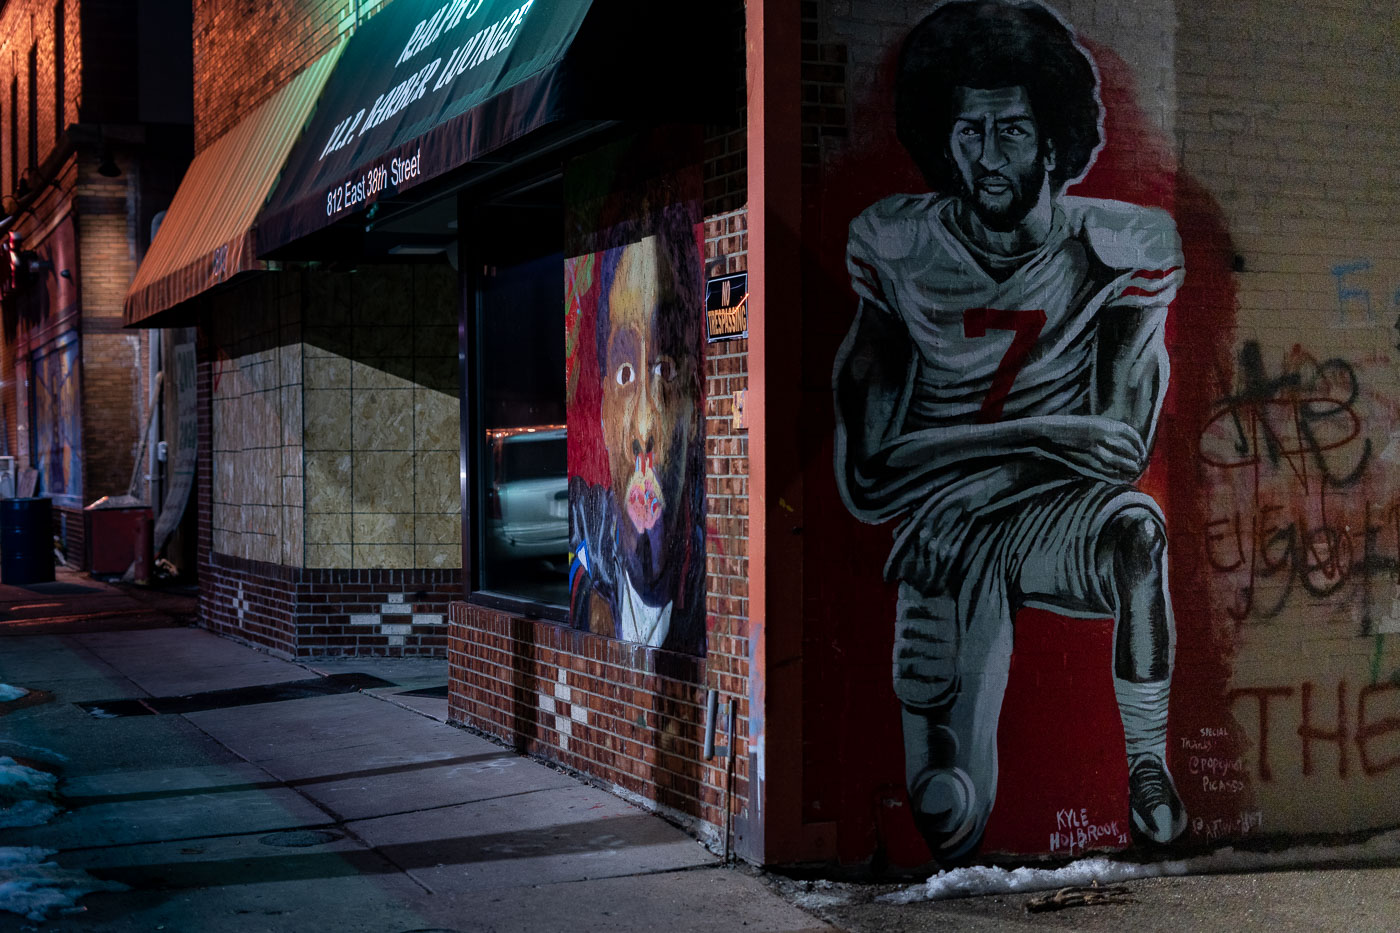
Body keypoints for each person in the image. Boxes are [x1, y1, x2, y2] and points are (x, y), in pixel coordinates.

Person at [833, 0, 1187, 860]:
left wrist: (984, 485)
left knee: (1140, 531)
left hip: (1040, 513)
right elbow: (868, 474)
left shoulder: (1117, 247)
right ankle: (942, 711)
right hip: (953, 515)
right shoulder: (896, 244)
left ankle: (1147, 764)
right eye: (969, 132)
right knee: (948, 814)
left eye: (1013, 133)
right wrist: (1036, 440)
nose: (987, 159)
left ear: (1057, 140)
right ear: (942, 136)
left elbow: (1120, 449)